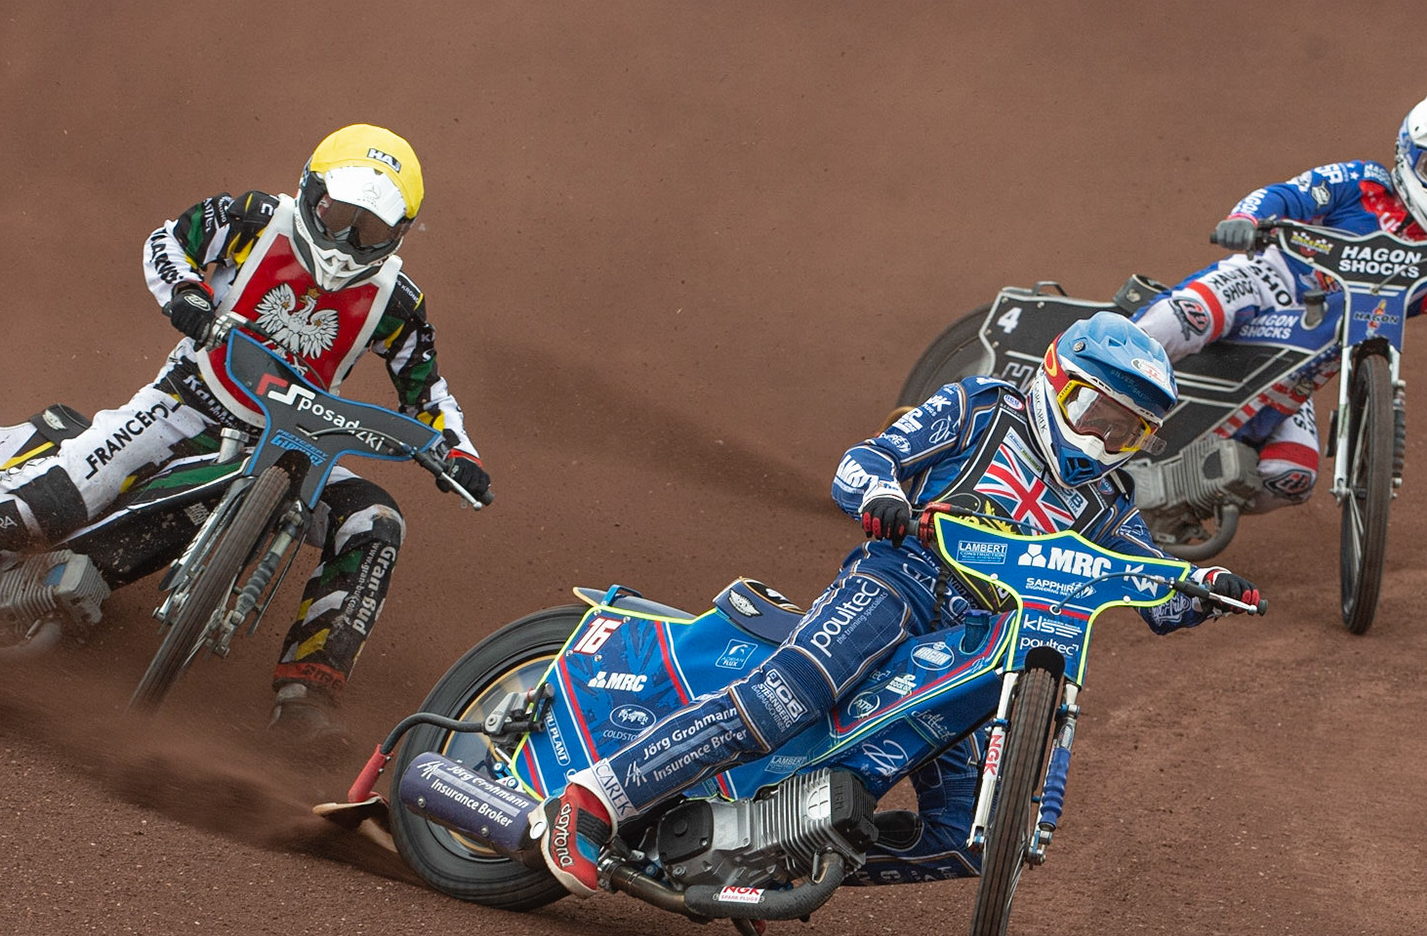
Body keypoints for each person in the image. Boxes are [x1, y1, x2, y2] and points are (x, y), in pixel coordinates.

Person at [0, 124, 490, 745]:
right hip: (184, 404)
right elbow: (168, 241)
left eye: (369, 231)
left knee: (375, 519)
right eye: (339, 217)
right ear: (310, 192)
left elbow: (425, 389)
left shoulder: (398, 302)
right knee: (54, 498)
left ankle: (307, 698)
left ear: (400, 234)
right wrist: (186, 297)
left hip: (294, 444)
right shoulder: (255, 218)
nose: (345, 243)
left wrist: (456, 450)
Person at [536, 312, 1260, 895]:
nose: (1105, 439)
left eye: (1126, 430)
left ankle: (768, 856)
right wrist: (883, 496)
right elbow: (864, 461)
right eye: (1096, 412)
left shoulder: (1108, 502)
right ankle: (594, 800)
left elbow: (1158, 587)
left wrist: (1204, 590)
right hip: (900, 582)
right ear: (1055, 381)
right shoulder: (979, 408)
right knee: (787, 697)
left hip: (980, 643)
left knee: (965, 837)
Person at [1132, 95, 1427, 512]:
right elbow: (1290, 196)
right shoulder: (1360, 182)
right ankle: (1079, 388)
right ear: (1407, 156)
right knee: (1190, 316)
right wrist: (1246, 219)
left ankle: (1181, 509)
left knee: (1293, 476)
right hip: (1269, 282)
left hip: (1303, 368)